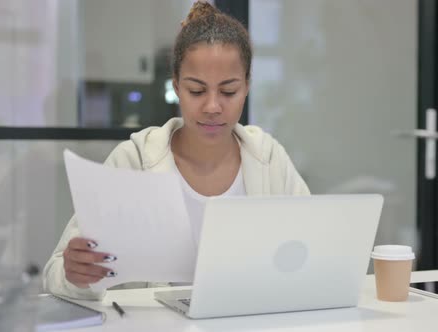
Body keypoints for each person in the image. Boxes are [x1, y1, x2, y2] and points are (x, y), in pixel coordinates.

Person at [43, 1, 310, 300]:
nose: (212, 107)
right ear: (177, 86)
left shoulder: (269, 160)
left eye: (228, 91)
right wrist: (77, 274)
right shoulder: (134, 160)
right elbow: (55, 273)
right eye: (196, 90)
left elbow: (314, 255)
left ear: (247, 86)